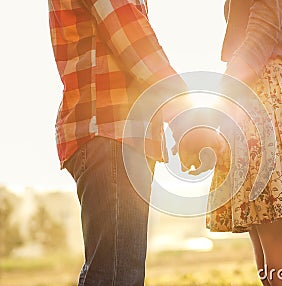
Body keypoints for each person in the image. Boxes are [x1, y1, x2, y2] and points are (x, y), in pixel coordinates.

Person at [179, 0, 282, 285]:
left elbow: (257, 42)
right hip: (253, 106)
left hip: (267, 105)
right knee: (270, 270)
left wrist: (210, 119)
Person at [48, 0, 182, 285]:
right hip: (111, 130)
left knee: (115, 270)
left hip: (116, 132)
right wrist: (185, 111)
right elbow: (130, 36)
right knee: (117, 275)